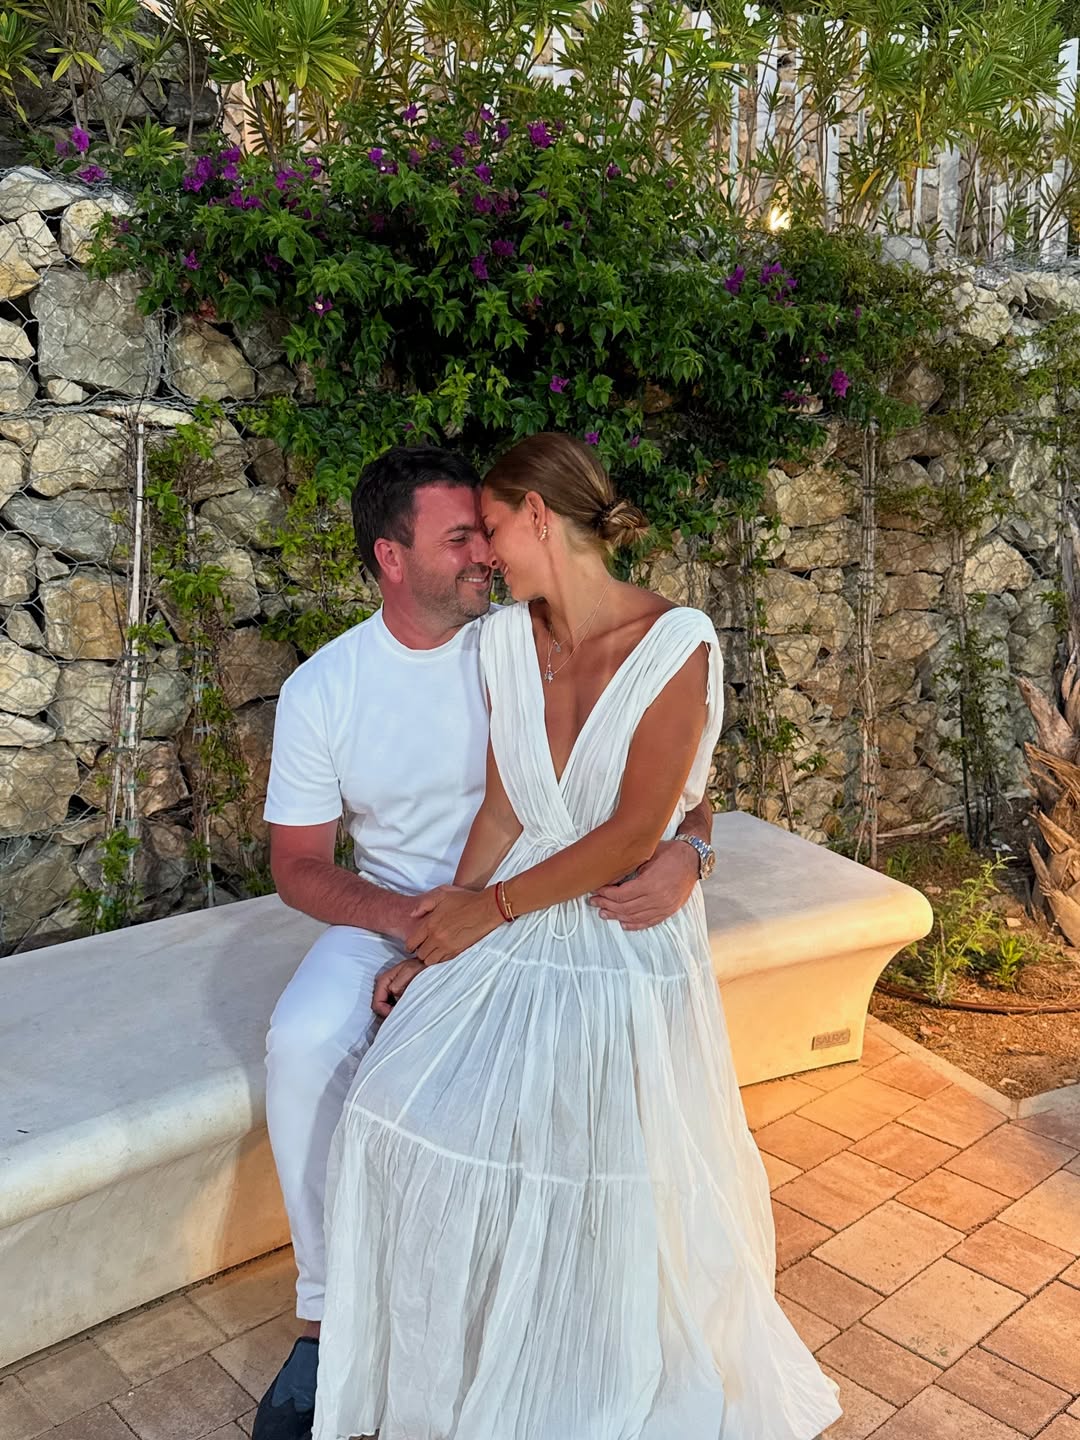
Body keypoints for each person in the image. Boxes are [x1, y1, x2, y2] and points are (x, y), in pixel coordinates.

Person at [311, 433, 843, 1440]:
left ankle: (577, 1368)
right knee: (388, 1108)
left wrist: (669, 857)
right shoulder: (504, 643)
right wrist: (441, 934)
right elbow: (507, 809)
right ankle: (446, 1367)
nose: (484, 554)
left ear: (539, 517)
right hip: (520, 907)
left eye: (492, 529)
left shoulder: (676, 642)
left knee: (589, 1157)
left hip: (618, 930)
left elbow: (639, 828)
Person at [254, 443, 716, 1440]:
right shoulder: (330, 686)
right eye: (459, 538)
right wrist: (418, 931)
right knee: (303, 1044)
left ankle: (522, 1323)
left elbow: (666, 788)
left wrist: (693, 851)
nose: (483, 556)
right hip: (403, 906)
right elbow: (296, 864)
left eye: (487, 530)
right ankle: (327, 1319)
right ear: (391, 557)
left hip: (531, 905)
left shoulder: (526, 630)